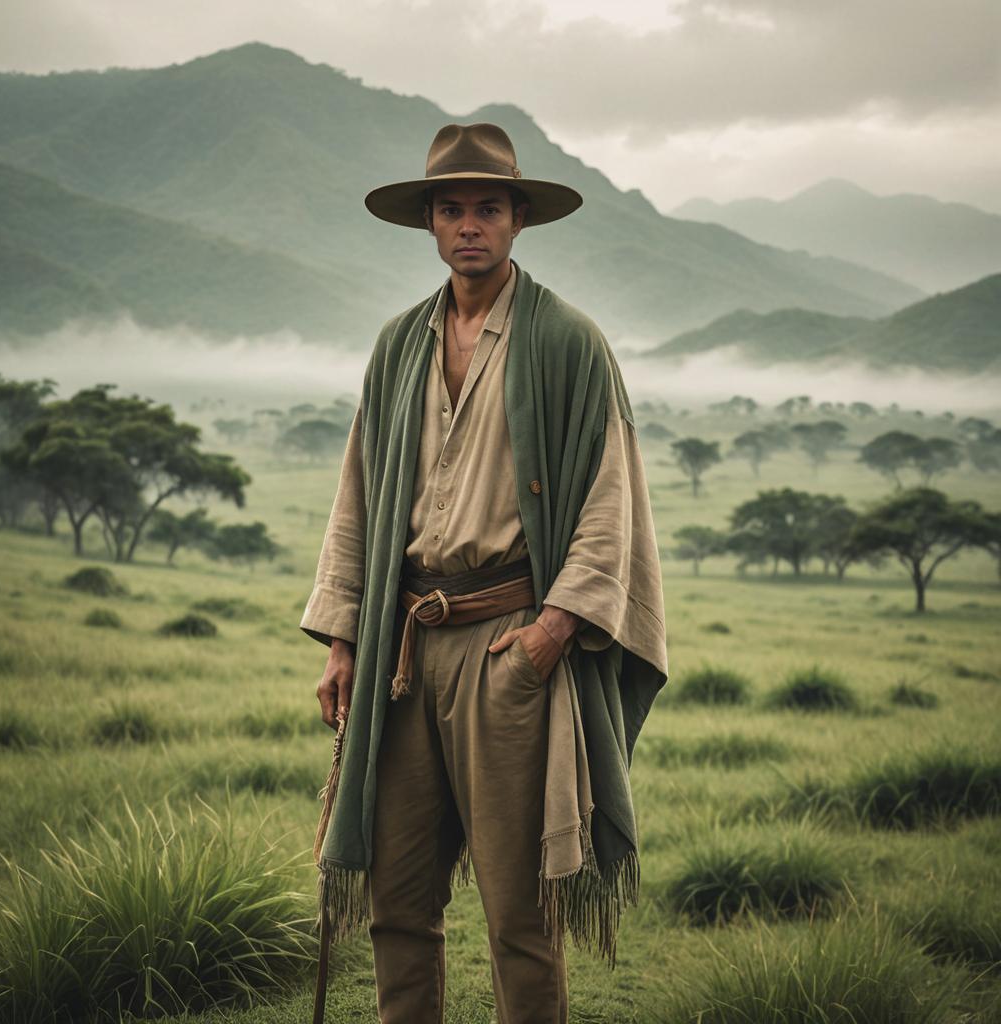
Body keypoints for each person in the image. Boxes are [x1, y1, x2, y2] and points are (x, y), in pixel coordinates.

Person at [299, 122, 668, 1024]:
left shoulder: (568, 343)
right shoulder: (397, 346)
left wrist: (551, 634)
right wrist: (346, 638)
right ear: (429, 222)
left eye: (489, 209)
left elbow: (610, 501)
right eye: (453, 209)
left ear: (517, 222)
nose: (471, 225)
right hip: (401, 651)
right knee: (398, 901)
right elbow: (360, 496)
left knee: (520, 913)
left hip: (510, 650)